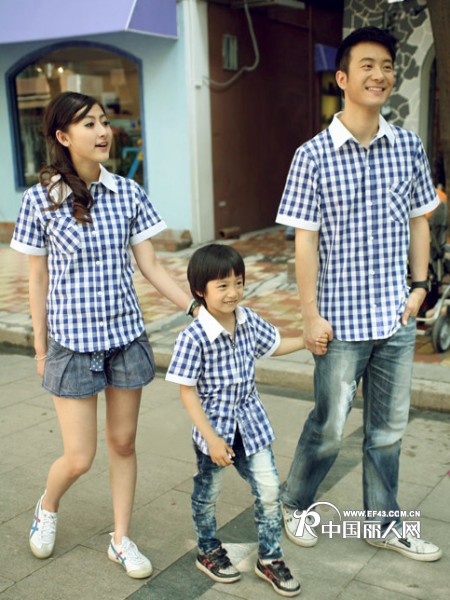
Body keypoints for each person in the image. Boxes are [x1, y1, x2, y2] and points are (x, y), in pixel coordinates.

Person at [10, 91, 197, 578]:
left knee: (123, 443)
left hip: (124, 339)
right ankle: (47, 506)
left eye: (103, 121)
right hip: (71, 345)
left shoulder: (128, 193)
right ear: (62, 136)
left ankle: (120, 539)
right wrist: (40, 348)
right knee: (79, 457)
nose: (102, 132)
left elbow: (151, 267)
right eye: (88, 124)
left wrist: (194, 308)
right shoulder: (39, 200)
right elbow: (37, 279)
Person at [276, 27, 443, 561]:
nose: (380, 75)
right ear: (343, 79)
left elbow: (419, 221)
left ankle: (382, 524)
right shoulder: (312, 155)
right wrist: (310, 315)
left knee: (388, 432)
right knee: (329, 426)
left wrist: (419, 287)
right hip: (340, 322)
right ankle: (294, 502)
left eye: (387, 66)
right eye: (367, 65)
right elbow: (305, 242)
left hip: (395, 315)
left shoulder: (408, 147)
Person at [166, 244, 327, 596]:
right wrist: (211, 439)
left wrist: (306, 341)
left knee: (269, 491)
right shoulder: (193, 337)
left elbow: (273, 345)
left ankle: (269, 558)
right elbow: (187, 392)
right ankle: (208, 550)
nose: (233, 292)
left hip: (252, 424)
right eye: (222, 285)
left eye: (238, 282)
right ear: (200, 290)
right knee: (208, 493)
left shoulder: (248, 319)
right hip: (215, 430)